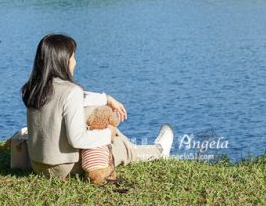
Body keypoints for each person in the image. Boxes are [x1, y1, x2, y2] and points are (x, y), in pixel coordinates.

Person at [21, 33, 173, 180]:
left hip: (38, 166)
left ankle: (130, 144)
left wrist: (107, 99)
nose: (75, 62)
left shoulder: (35, 88)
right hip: (65, 168)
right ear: (63, 60)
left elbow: (79, 100)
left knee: (91, 111)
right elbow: (77, 139)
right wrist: (108, 134)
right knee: (118, 146)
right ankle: (158, 151)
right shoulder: (71, 91)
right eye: (73, 57)